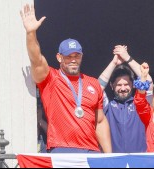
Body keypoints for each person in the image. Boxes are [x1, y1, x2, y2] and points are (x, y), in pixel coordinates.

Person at [20, 4, 111, 153]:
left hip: (91, 151)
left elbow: (100, 121)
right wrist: (31, 33)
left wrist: (109, 157)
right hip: (62, 150)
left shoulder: (93, 83)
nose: (73, 60)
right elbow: (36, 59)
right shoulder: (50, 78)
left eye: (77, 56)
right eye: (68, 56)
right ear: (59, 57)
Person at [98, 45, 152, 153]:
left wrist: (127, 58)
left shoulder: (141, 104)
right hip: (113, 161)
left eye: (126, 84)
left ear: (133, 85)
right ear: (112, 86)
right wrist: (113, 63)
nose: (123, 88)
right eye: (119, 85)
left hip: (140, 161)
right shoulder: (107, 106)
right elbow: (96, 88)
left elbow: (149, 82)